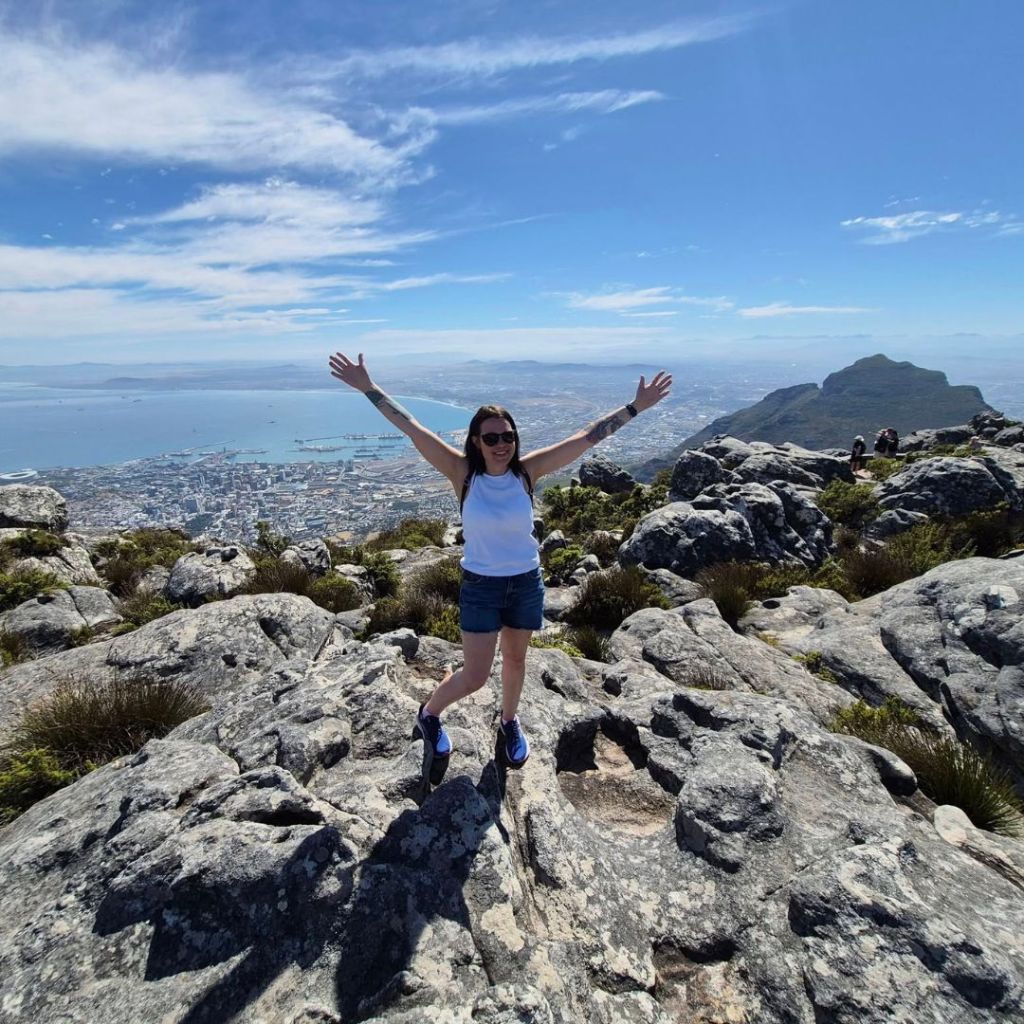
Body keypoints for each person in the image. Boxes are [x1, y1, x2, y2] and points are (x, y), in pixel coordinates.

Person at [328, 351, 671, 778]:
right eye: (490, 438)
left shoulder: (527, 473)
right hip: (482, 586)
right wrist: (368, 388)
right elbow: (412, 428)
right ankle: (430, 713)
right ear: (476, 441)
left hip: (525, 582)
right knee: (474, 676)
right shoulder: (462, 474)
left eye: (506, 436)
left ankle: (509, 722)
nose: (500, 444)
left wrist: (635, 407)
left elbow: (588, 437)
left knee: (515, 661)